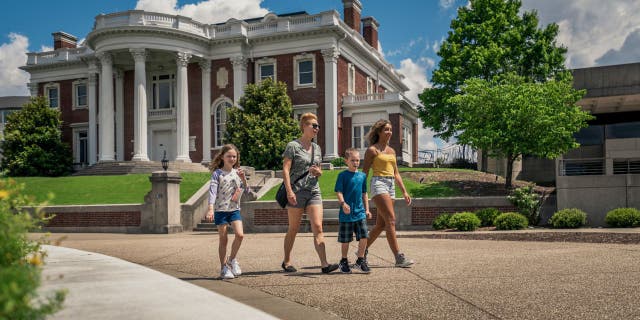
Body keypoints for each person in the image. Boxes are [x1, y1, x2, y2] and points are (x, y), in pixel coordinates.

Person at [281, 113, 339, 274]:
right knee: (293, 228)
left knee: (318, 226)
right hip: (296, 191)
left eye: (318, 126)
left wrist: (318, 172)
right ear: (304, 126)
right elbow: (285, 170)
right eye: (314, 126)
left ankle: (324, 264)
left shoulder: (317, 148)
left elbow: (318, 169)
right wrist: (289, 191)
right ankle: (286, 261)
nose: (317, 129)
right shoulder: (293, 146)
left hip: (314, 190)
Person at [361, 119, 414, 267]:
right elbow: (364, 173)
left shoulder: (392, 151)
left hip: (390, 186)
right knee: (391, 220)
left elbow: (396, 173)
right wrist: (361, 192)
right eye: (386, 129)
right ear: (378, 132)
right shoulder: (372, 150)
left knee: (381, 225)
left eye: (391, 129)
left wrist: (404, 191)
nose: (389, 132)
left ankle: (361, 251)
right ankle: (399, 257)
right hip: (378, 184)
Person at [206, 144, 248, 279]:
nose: (232, 158)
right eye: (229, 156)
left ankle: (232, 260)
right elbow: (212, 192)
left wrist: (244, 179)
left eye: (234, 156)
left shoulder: (238, 172)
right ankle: (224, 268)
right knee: (223, 240)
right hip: (220, 210)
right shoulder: (217, 174)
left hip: (234, 209)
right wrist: (210, 209)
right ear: (222, 157)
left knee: (240, 235)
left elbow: (246, 190)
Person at [334, 148, 372, 273]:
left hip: (360, 212)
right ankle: (343, 261)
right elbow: (338, 192)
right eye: (353, 160)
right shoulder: (342, 176)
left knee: (364, 236)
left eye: (357, 160)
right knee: (346, 240)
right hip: (346, 214)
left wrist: (367, 209)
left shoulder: (362, 176)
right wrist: (343, 203)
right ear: (346, 161)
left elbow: (364, 194)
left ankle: (360, 260)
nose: (356, 163)